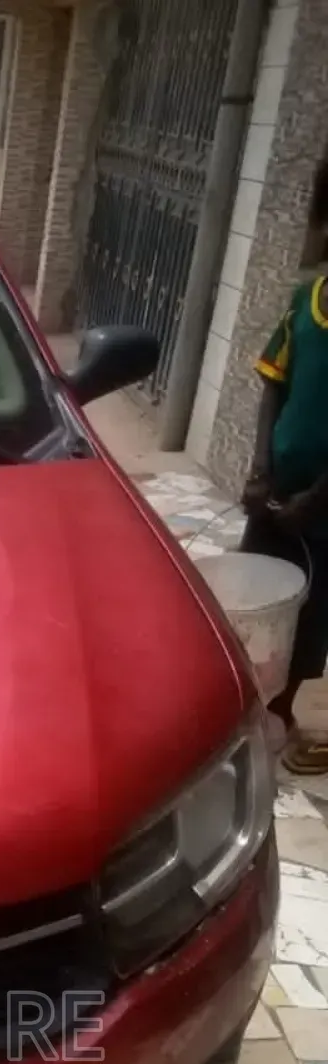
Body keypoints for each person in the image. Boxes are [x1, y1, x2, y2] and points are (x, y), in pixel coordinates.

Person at [239, 158, 328, 773]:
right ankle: (245, 697)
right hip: (280, 493)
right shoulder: (306, 304)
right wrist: (260, 468)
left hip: (323, 509)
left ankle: (287, 707)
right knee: (254, 590)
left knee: (310, 610)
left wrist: (318, 498)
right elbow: (274, 389)